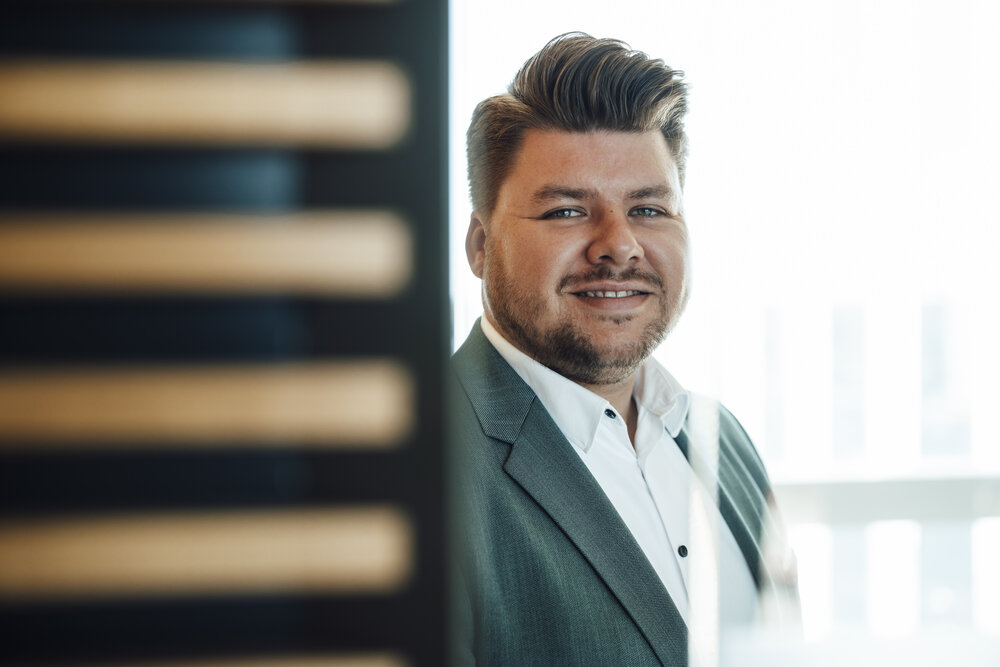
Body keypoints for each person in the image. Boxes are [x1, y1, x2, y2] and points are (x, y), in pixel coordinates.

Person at [451, 33, 797, 666]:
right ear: (479, 245)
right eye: (565, 212)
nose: (619, 245)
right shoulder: (422, 467)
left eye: (647, 208)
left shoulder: (726, 443)